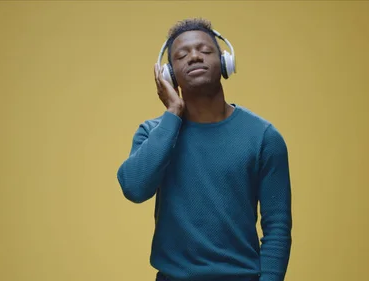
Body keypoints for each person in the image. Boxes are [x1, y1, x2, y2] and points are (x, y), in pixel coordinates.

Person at [116, 18, 292, 281]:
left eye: (205, 50)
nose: (194, 57)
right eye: (182, 55)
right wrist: (173, 113)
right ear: (168, 74)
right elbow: (134, 188)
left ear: (224, 62)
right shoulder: (154, 133)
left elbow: (277, 227)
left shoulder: (263, 137)